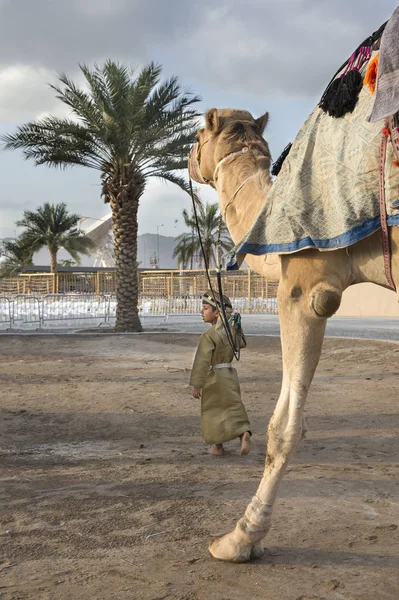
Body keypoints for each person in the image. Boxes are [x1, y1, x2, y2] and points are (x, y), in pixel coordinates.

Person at [189, 291, 251, 456]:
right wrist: (236, 327)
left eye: (205, 308)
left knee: (212, 411)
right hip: (230, 375)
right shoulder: (229, 333)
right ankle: (243, 433)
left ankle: (218, 447)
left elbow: (202, 361)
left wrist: (197, 384)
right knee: (233, 406)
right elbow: (241, 344)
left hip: (214, 377)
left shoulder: (208, 336)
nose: (201, 312)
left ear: (217, 312)